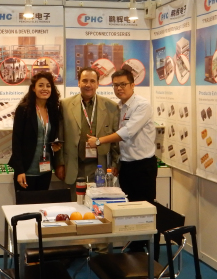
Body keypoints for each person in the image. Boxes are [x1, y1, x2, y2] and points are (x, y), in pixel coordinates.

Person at [87, 68, 157, 203]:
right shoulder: (118, 107)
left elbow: (127, 132)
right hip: (125, 165)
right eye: (116, 85)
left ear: (132, 85)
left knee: (143, 206)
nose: (119, 88)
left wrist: (98, 141)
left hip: (142, 166)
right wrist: (115, 163)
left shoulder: (142, 105)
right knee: (126, 205)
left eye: (123, 84)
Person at [56, 67, 119, 195]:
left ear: (98, 84)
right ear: (79, 83)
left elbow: (115, 140)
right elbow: (60, 137)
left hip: (100, 166)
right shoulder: (65, 105)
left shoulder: (111, 107)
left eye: (92, 81)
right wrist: (60, 163)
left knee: (99, 203)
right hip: (74, 165)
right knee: (76, 203)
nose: (88, 85)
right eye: (84, 81)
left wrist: (115, 164)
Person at [9, 71, 63, 192]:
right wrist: (20, 171)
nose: (45, 89)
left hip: (45, 169)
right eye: (41, 85)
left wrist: (55, 143)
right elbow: (16, 141)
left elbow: (51, 135)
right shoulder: (24, 109)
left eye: (48, 86)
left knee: (42, 203)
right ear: (33, 88)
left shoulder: (53, 110)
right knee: (26, 203)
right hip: (26, 170)